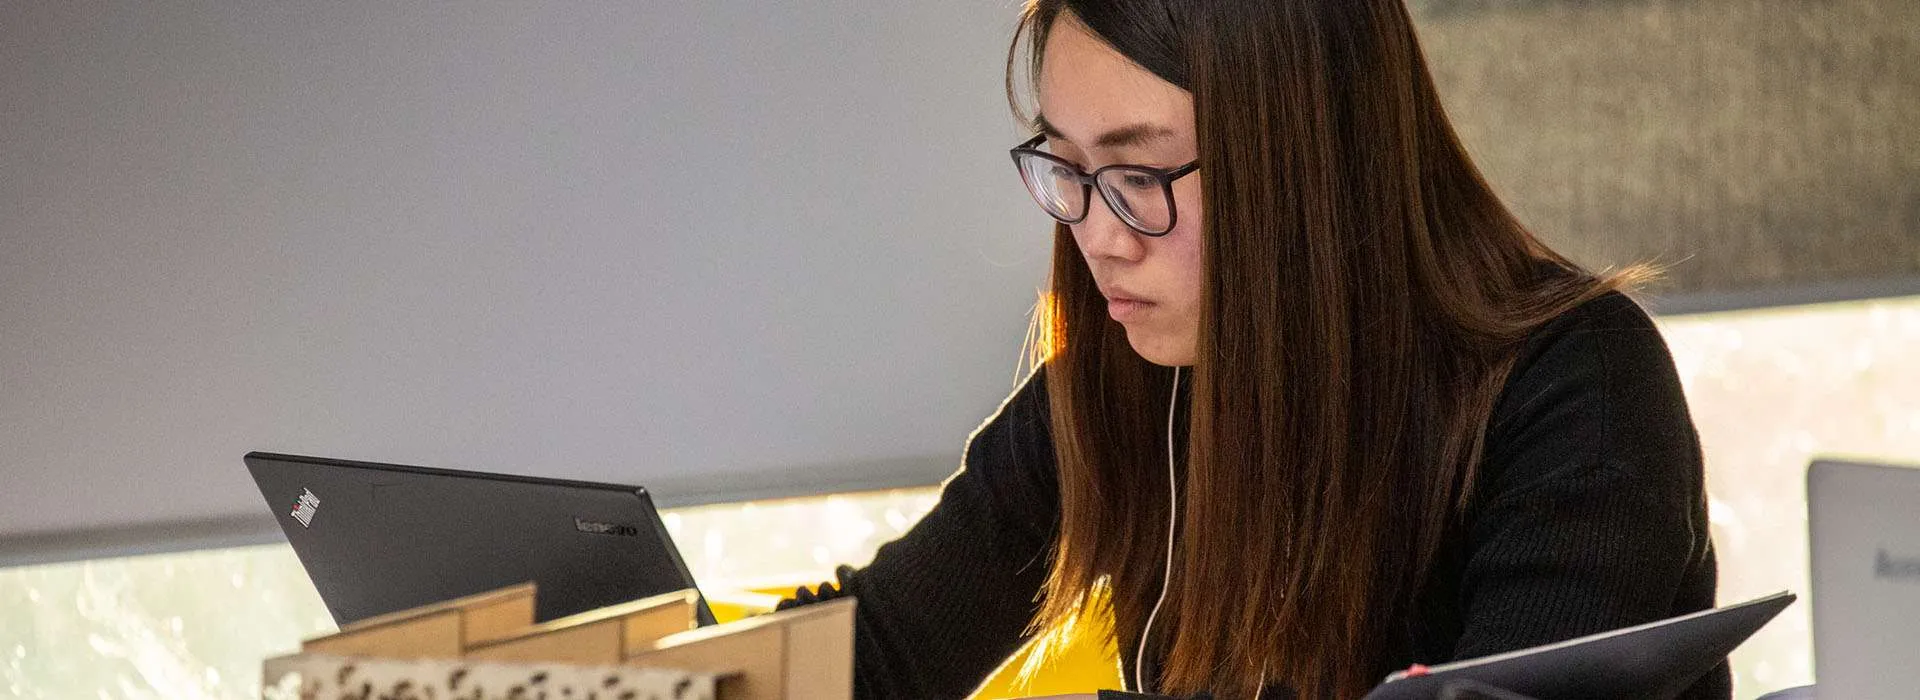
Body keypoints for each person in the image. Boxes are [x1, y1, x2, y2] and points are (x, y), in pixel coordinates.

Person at [778, 1, 1722, 698]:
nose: (1097, 236)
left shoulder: (1577, 389)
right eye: (1067, 166)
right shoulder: (1135, 375)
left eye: (1140, 173)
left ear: (1309, 165)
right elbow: (880, 652)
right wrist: (657, 678)